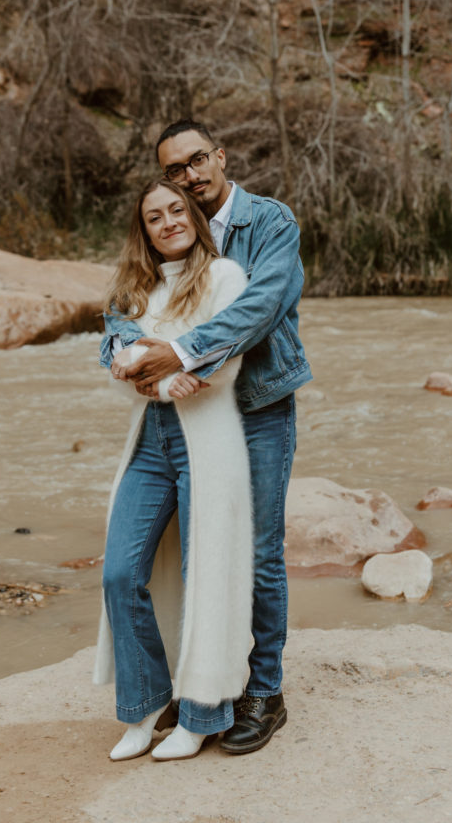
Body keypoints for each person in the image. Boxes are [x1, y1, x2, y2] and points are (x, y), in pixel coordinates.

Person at [101, 118, 312, 754]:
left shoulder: (269, 223)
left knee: (256, 551)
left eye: (198, 161)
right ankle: (187, 689)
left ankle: (263, 693)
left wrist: (177, 354)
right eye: (175, 170)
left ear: (220, 156)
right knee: (173, 555)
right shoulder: (166, 239)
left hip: (259, 404)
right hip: (184, 416)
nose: (190, 176)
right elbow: (122, 310)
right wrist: (128, 354)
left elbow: (261, 307)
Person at [93, 179, 254, 762]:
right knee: (119, 572)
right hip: (149, 442)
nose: (168, 222)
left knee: (204, 574)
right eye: (155, 217)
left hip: (207, 443)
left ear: (194, 217)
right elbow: (119, 364)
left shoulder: (224, 279)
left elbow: (223, 366)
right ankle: (144, 706)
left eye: (176, 211)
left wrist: (147, 362)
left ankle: (202, 714)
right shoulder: (133, 291)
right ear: (145, 230)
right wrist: (158, 374)